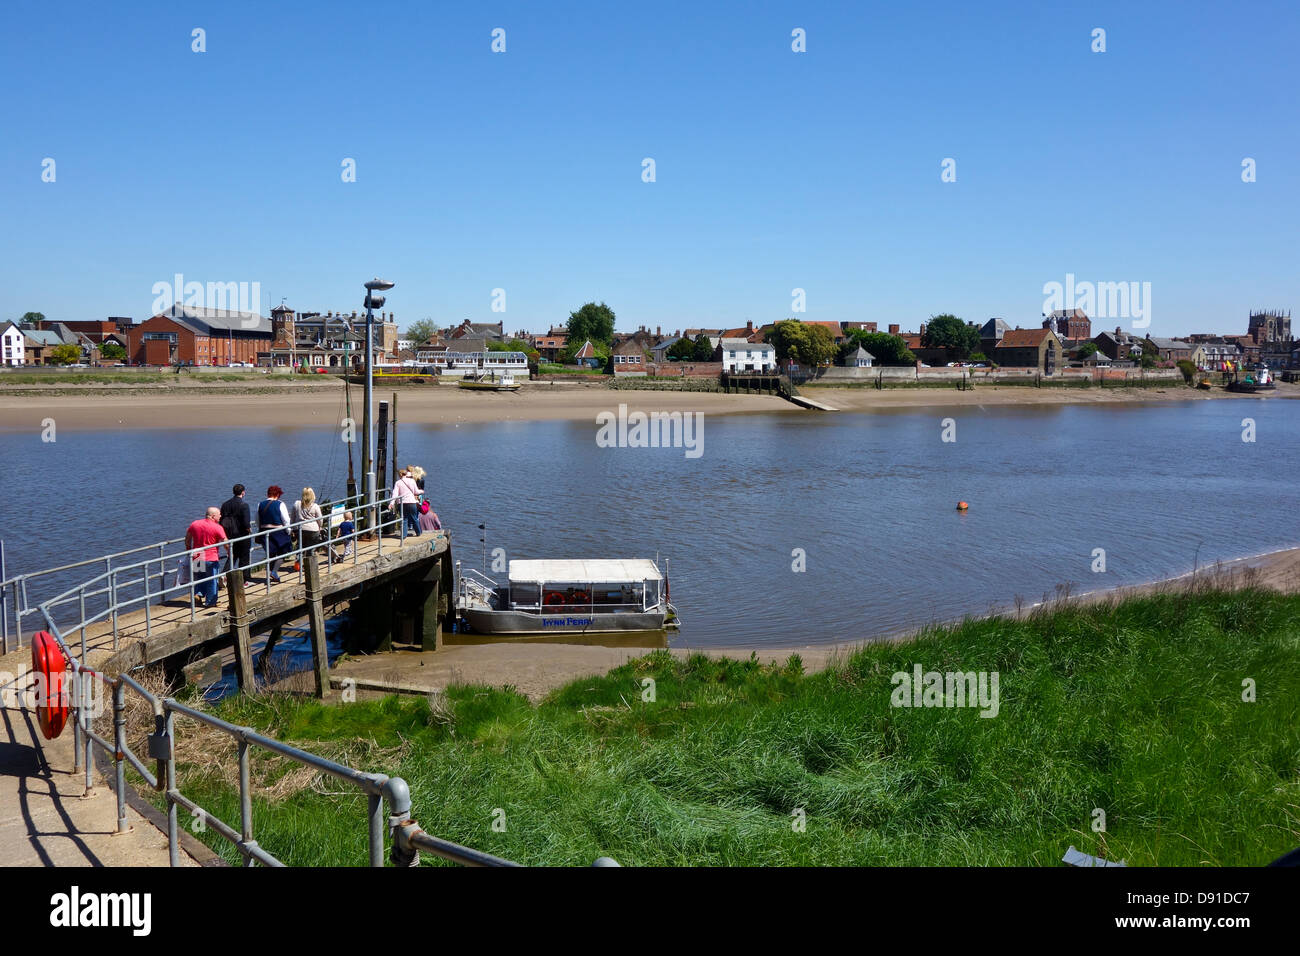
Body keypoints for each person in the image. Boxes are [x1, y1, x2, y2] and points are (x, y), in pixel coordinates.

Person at [185, 507, 228, 608]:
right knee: (212, 580)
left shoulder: (195, 524)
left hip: (197, 555)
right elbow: (226, 542)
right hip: (211, 557)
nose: (221, 516)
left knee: (199, 578)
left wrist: (188, 550)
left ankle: (198, 595)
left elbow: (187, 539)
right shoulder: (217, 527)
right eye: (219, 514)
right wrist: (229, 552)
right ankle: (211, 601)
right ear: (213, 516)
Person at [257, 485, 293, 583]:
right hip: (279, 532)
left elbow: (257, 520)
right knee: (285, 551)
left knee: (271, 553)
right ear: (277, 494)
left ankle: (271, 574)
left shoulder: (260, 504)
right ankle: (274, 572)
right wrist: (289, 531)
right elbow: (286, 520)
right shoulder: (280, 504)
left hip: (265, 532)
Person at [219, 483, 253, 582]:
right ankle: (245, 579)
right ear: (243, 492)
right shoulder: (244, 505)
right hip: (242, 535)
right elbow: (246, 523)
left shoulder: (225, 504)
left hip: (229, 535)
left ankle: (224, 575)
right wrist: (249, 530)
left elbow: (221, 521)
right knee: (244, 557)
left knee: (232, 556)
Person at [388, 467, 421, 537]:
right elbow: (416, 491)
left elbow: (395, 494)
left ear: (400, 475)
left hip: (402, 503)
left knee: (404, 519)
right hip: (412, 502)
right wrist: (422, 492)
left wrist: (391, 503)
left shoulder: (398, 483)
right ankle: (418, 532)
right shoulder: (412, 481)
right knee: (414, 518)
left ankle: (404, 535)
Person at [292, 487, 324, 553]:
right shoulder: (315, 506)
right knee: (311, 549)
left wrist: (292, 529)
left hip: (299, 529)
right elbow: (320, 520)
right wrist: (319, 526)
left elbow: (292, 518)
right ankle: (310, 560)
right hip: (313, 530)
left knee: (300, 548)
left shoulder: (297, 504)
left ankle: (298, 561)